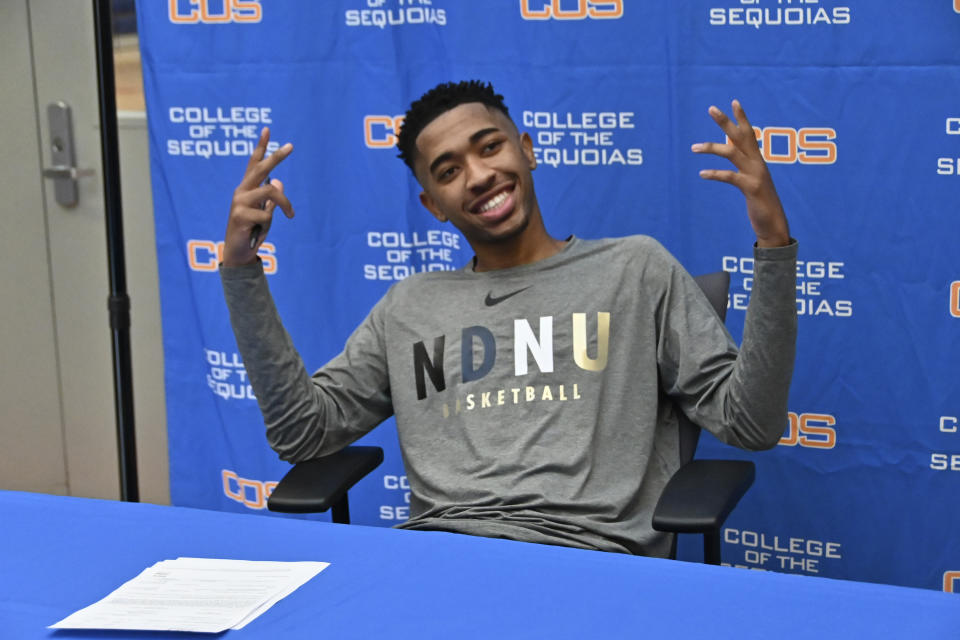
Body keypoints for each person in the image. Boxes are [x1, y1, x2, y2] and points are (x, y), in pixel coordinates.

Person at [220, 80, 797, 557]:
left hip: (590, 563)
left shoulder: (635, 269)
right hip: (436, 563)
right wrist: (243, 269)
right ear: (433, 207)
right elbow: (303, 433)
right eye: (447, 172)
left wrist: (773, 243)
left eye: (489, 147)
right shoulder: (409, 306)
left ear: (526, 149)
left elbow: (752, 424)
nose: (476, 175)